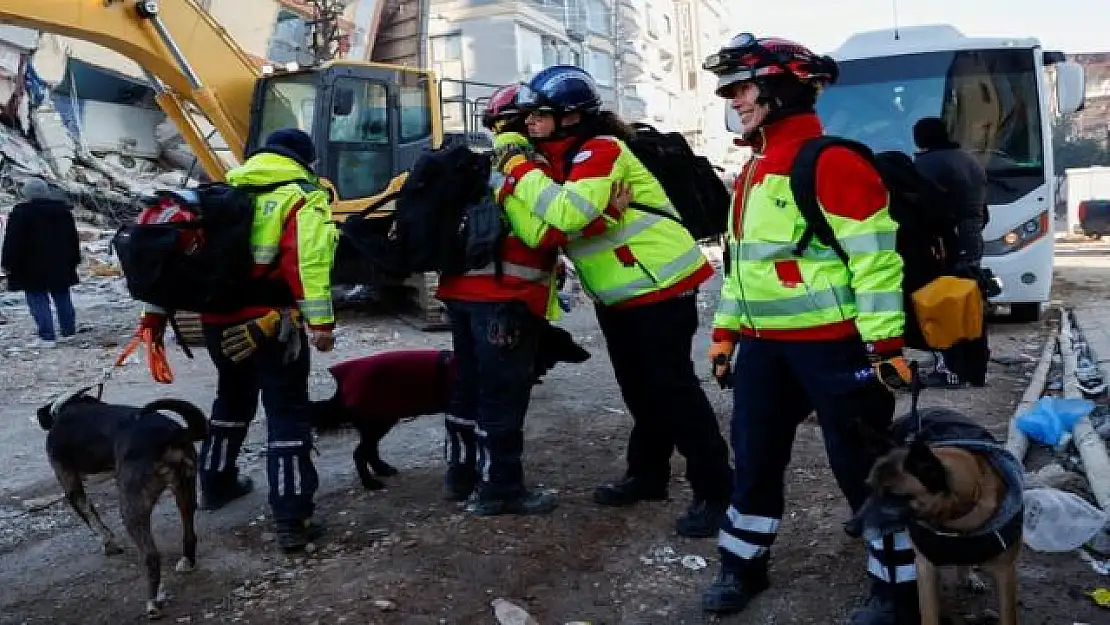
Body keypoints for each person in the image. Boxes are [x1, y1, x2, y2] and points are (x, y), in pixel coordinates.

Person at [700, 34, 919, 624]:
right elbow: (744, 268)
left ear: (781, 87)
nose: (733, 98)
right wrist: (725, 333)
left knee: (864, 467)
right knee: (753, 459)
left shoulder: (833, 162)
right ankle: (743, 565)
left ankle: (897, 591)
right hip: (766, 353)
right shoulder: (751, 171)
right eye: (731, 88)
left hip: (835, 348)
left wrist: (885, 346)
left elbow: (876, 262)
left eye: (742, 87)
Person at [489, 65, 734, 538]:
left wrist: (520, 172)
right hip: (619, 294)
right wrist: (579, 211)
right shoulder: (554, 162)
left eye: (540, 115)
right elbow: (541, 232)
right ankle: (647, 476)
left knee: (674, 390)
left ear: (571, 117)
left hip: (660, 285)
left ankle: (717, 489)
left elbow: (563, 212)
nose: (529, 124)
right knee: (638, 390)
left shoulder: (601, 150)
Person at [141, 128, 338, 552]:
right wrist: (321, 324)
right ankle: (292, 518)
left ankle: (215, 483)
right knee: (286, 412)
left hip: (218, 323)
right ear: (305, 160)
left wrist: (154, 316)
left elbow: (176, 258)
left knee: (231, 399)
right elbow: (308, 261)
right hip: (270, 324)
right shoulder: (301, 195)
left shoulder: (221, 191)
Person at [434, 83, 598, 515]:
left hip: (459, 296)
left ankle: (461, 476)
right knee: (502, 395)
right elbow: (541, 232)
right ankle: (501, 489)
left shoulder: (468, 161)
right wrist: (606, 213)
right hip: (505, 300)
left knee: (466, 387)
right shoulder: (523, 163)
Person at [912, 116, 990, 388]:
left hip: (944, 244)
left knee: (941, 304)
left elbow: (925, 209)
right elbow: (983, 210)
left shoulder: (925, 165)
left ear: (921, 139)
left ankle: (950, 369)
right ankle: (975, 367)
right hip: (972, 240)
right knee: (968, 304)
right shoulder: (971, 161)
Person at [1, 178, 80, 348]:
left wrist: (7, 262)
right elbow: (72, 238)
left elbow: (13, 241)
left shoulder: (21, 213)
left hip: (31, 266)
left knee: (37, 298)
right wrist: (74, 259)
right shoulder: (63, 211)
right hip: (60, 263)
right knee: (62, 296)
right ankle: (69, 331)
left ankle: (47, 335)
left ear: (27, 194)